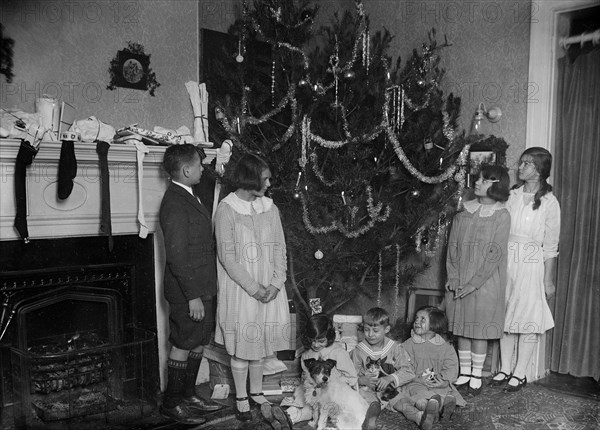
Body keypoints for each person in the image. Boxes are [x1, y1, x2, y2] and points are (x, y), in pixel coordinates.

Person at [214, 153, 291, 423]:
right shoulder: (226, 210)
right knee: (242, 346)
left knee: (260, 345)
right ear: (250, 178)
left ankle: (256, 392)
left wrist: (275, 283)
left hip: (269, 290)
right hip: (241, 291)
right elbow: (228, 258)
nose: (269, 183)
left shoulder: (270, 208)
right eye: (265, 178)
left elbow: (280, 248)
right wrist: (253, 288)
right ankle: (241, 397)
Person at [158, 144, 223, 425]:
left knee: (198, 342)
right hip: (188, 292)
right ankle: (171, 403)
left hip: (201, 287)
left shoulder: (189, 194)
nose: (202, 169)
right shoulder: (173, 201)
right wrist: (193, 296)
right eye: (199, 165)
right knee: (184, 343)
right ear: (186, 170)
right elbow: (176, 255)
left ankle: (188, 395)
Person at [489, 147, 561, 392]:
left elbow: (551, 247)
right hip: (508, 259)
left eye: (527, 164)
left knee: (527, 317)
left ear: (540, 170)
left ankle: (519, 373)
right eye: (521, 163)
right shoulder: (512, 195)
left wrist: (548, 281)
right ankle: (504, 368)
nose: (520, 168)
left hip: (531, 263)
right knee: (506, 314)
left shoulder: (550, 203)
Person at [445, 165, 511, 396]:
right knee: (462, 328)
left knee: (478, 330)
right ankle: (464, 372)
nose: (478, 182)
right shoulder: (464, 213)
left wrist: (475, 283)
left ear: (497, 185)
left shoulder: (502, 215)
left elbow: (496, 253)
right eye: (479, 178)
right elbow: (452, 246)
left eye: (484, 180)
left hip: (485, 283)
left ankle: (476, 374)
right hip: (461, 279)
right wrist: (453, 276)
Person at [281, 314, 380, 429]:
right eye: (312, 341)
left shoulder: (338, 352)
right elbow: (305, 375)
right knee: (305, 404)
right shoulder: (306, 355)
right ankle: (286, 417)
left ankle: (363, 422)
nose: (316, 345)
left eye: (321, 341)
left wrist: (333, 383)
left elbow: (352, 377)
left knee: (339, 411)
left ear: (330, 336)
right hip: (314, 391)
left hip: (335, 392)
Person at [400, 306, 466, 430]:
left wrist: (444, 381)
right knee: (419, 396)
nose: (417, 322)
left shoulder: (445, 345)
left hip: (438, 383)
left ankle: (442, 407)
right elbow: (403, 366)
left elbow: (451, 365)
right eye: (416, 318)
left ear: (434, 325)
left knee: (442, 393)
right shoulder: (408, 345)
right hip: (416, 382)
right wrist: (417, 379)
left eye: (422, 319)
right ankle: (430, 409)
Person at [351, 308, 412, 417]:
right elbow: (349, 374)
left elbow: (409, 371)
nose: (370, 334)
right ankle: (369, 421)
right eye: (366, 329)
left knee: (404, 404)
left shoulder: (394, 348)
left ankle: (419, 416)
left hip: (390, 390)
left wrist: (390, 378)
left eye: (375, 331)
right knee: (366, 405)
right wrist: (360, 380)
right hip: (367, 391)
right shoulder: (358, 351)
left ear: (386, 329)